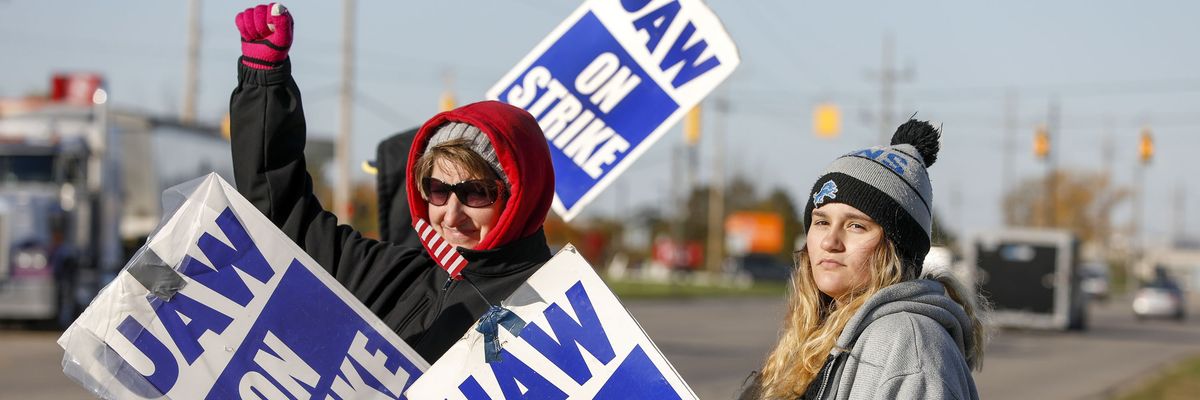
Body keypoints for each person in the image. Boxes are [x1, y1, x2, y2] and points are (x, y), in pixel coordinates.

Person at [229, 3, 555, 363]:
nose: (450, 214)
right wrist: (264, 83)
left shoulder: (553, 318)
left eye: (476, 193)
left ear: (519, 197)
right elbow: (285, 219)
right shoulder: (399, 275)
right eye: (437, 190)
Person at [738, 120, 986, 399]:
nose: (829, 242)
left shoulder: (907, 343)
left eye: (856, 226)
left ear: (898, 247)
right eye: (821, 222)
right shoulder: (823, 333)